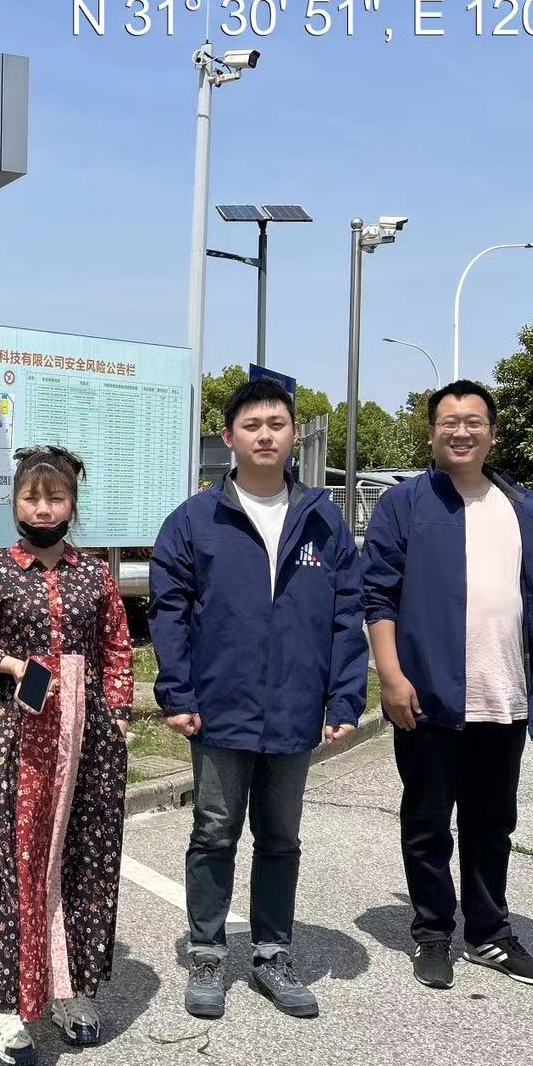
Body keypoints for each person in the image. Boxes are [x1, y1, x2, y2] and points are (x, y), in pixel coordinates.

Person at [149, 378, 367, 1020]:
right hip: (220, 706)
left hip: (295, 707)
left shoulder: (323, 519)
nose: (265, 435)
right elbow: (169, 613)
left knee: (280, 837)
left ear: (294, 434)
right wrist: (177, 692)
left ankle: (273, 953)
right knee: (214, 831)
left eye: (277, 423)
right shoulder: (195, 520)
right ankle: (208, 953)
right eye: (252, 425)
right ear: (229, 438)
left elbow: (346, 613)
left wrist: (345, 698)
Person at [361, 379, 533, 990]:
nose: (461, 431)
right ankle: (432, 931)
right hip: (428, 695)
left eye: (473, 421)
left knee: (492, 822)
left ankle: (488, 934)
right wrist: (391, 677)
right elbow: (377, 596)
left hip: (506, 695)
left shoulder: (524, 506)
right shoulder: (405, 505)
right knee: (427, 821)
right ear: (431, 434)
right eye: (448, 422)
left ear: (492, 433)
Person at [0, 445, 134, 1066]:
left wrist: (118, 714)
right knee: (13, 864)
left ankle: (71, 987)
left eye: (55, 497)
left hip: (90, 743)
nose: (43, 508)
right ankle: (4, 1009)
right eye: (31, 497)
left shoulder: (97, 577)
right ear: (14, 504)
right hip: (18, 740)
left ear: (73, 506)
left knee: (87, 860)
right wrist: (9, 664)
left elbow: (117, 647)